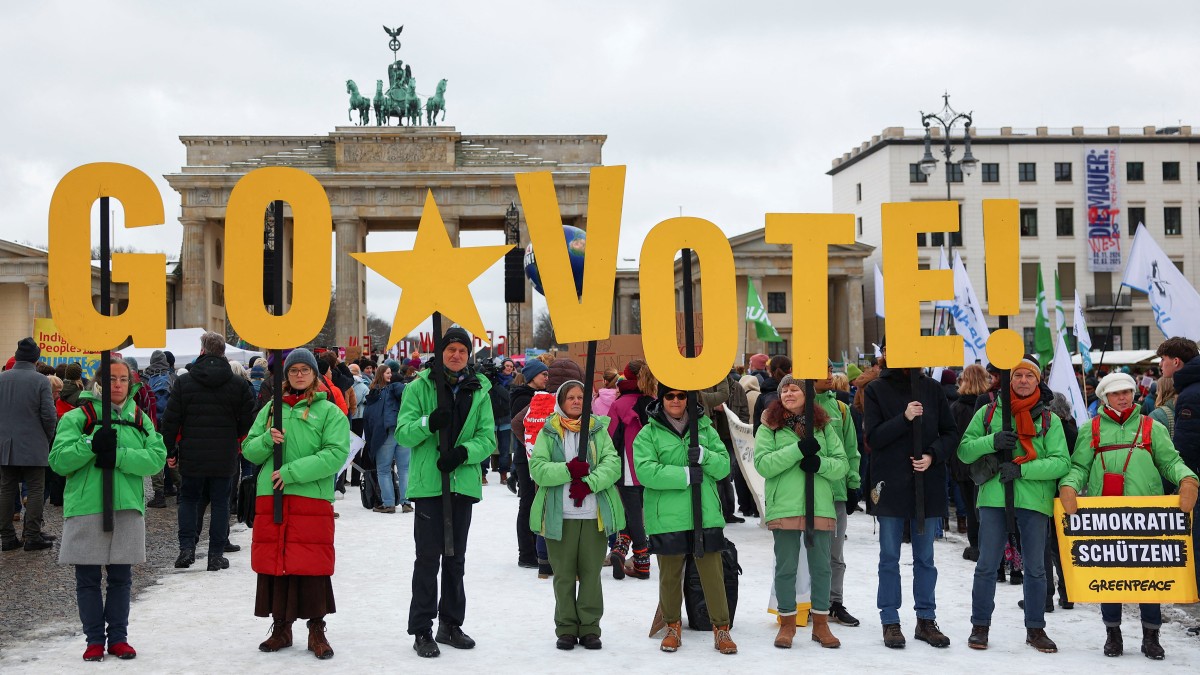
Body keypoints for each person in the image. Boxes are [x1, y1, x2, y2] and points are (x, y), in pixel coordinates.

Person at [1058, 371, 1198, 660]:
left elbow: (1171, 461)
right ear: (1105, 397)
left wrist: (1187, 479)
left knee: (1149, 577)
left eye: (1127, 392)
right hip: (1105, 516)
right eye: (1116, 393)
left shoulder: (1150, 426)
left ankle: (1151, 636)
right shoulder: (1091, 429)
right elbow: (1079, 467)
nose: (1122, 397)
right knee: (1109, 577)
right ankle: (1113, 633)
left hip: (1148, 516)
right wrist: (1069, 485)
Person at [49, 358, 167, 661]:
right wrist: (90, 444)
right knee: (87, 579)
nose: (117, 384)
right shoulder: (78, 417)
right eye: (112, 378)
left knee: (121, 578)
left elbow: (155, 459)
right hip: (87, 505)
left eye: (123, 379)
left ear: (130, 383)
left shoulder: (140, 418)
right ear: (99, 381)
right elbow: (59, 461)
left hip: (126, 505)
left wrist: (119, 455)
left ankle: (118, 638)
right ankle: (93, 641)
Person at [956, 354, 1069, 653]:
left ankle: (1036, 628)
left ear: (1038, 380)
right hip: (994, 498)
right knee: (986, 566)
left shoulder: (1049, 418)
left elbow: (1061, 463)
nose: (1022, 381)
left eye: (1028, 376)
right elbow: (965, 452)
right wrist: (992, 441)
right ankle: (979, 626)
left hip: (1034, 500)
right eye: (1017, 375)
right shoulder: (988, 413)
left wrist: (1023, 470)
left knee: (1035, 569)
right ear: (1007, 379)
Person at [395, 327, 497, 658]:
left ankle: (451, 624)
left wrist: (463, 453)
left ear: (469, 356)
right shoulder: (419, 386)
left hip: (461, 482)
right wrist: (428, 423)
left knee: (456, 559)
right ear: (440, 353)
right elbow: (403, 434)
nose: (456, 355)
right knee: (427, 558)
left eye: (462, 351)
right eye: (450, 349)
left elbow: (488, 437)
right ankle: (422, 628)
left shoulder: (479, 389)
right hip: (429, 485)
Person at [243, 348, 349, 660]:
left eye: (304, 370)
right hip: (272, 497)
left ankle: (316, 629)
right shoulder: (271, 409)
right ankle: (281, 628)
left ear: (315, 374)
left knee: (312, 564)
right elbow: (249, 450)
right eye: (293, 370)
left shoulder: (329, 411)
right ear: (285, 374)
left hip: (310, 498)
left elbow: (334, 454)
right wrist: (266, 441)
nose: (299, 375)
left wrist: (291, 472)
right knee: (276, 562)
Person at [862, 341, 957, 649]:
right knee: (889, 556)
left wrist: (932, 455)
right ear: (884, 354)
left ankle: (926, 619)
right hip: (890, 482)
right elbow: (874, 437)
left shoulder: (931, 388)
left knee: (925, 558)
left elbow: (950, 433)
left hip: (925, 483)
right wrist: (903, 418)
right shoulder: (876, 389)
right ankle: (890, 620)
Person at [634, 383, 737, 655]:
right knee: (669, 576)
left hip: (705, 513)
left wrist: (704, 456)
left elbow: (725, 465)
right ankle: (671, 626)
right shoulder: (648, 433)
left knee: (712, 574)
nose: (676, 400)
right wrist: (685, 475)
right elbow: (645, 471)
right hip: (667, 516)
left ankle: (721, 628)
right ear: (662, 399)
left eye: (682, 395)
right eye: (670, 395)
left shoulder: (705, 428)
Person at [529, 379, 625, 650]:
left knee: (591, 573)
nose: (575, 401)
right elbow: (538, 468)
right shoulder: (549, 431)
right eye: (570, 397)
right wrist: (569, 470)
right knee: (563, 575)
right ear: (561, 401)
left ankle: (590, 627)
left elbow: (613, 463)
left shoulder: (597, 430)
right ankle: (567, 627)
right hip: (561, 516)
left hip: (593, 514)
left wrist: (590, 482)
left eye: (581, 397)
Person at [755, 375, 848, 649]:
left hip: (818, 505)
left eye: (794, 388)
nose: (788, 393)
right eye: (784, 389)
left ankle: (820, 625)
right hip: (784, 504)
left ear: (807, 395)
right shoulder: (769, 426)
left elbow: (841, 464)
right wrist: (798, 450)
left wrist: (818, 464)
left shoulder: (823, 426)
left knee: (821, 567)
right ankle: (787, 624)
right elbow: (763, 464)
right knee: (786, 568)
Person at [159, 331, 256, 572]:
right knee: (221, 503)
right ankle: (215, 555)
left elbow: (171, 420)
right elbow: (248, 420)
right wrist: (237, 438)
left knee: (189, 499)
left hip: (192, 452)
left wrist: (170, 451)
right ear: (223, 351)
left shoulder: (184, 382)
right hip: (225, 453)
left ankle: (187, 549)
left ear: (202, 350)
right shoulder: (239, 384)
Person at [814, 366, 862, 627]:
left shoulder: (841, 408)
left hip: (836, 492)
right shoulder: (797, 403)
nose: (830, 373)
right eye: (824, 369)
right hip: (805, 493)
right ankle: (807, 602)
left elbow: (851, 449)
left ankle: (834, 602)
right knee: (805, 550)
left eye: (831, 368)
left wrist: (853, 483)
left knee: (835, 552)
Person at [0, 338, 59, 551]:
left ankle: (7, 537)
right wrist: (47, 437)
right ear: (36, 358)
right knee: (35, 489)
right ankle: (32, 535)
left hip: (5, 445)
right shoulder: (41, 381)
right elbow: (49, 415)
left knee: (6, 490)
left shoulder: (2, 378)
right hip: (34, 443)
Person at [605, 360, 656, 579]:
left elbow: (610, 437)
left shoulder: (620, 404)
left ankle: (641, 564)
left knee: (633, 514)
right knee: (636, 514)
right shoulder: (655, 402)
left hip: (627, 467)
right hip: (652, 467)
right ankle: (620, 550)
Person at [510, 358, 551, 569]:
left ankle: (536, 549)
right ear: (533, 376)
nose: (547, 377)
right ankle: (526, 553)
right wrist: (531, 446)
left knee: (536, 502)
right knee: (527, 503)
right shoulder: (523, 398)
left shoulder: (538, 396)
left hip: (535, 458)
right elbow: (520, 426)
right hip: (525, 459)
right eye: (543, 374)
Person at [949, 364, 991, 561]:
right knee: (988, 509)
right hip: (987, 466)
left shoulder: (956, 408)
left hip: (963, 466)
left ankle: (976, 546)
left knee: (971, 508)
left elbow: (953, 438)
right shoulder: (990, 405)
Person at [365, 364, 408, 513]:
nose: (390, 375)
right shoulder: (394, 390)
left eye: (391, 373)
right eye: (387, 373)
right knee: (404, 469)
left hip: (385, 432)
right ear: (381, 374)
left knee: (383, 469)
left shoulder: (374, 393)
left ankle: (389, 503)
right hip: (401, 430)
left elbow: (370, 417)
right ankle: (406, 502)